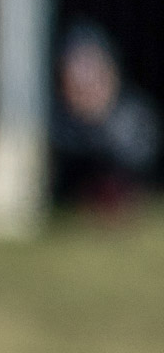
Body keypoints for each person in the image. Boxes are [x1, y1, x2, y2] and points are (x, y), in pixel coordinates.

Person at [50, 21, 159, 216]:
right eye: (76, 79)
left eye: (94, 75)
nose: (86, 88)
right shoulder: (54, 127)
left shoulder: (135, 121)